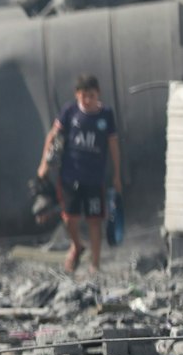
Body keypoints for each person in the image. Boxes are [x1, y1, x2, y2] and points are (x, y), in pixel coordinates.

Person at [37, 73, 122, 272]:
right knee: (69, 218)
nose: (87, 100)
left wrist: (117, 174)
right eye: (83, 95)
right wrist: (44, 165)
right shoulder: (70, 112)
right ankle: (76, 245)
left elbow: (113, 145)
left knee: (94, 221)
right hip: (70, 176)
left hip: (94, 178)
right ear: (77, 95)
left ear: (98, 94)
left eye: (91, 95)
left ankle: (95, 264)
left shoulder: (105, 115)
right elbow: (53, 136)